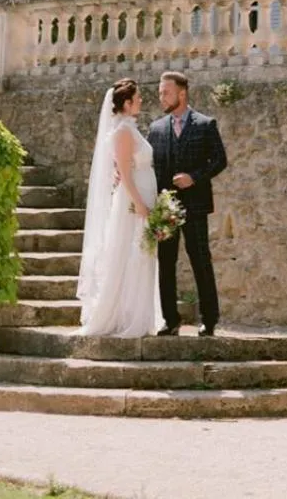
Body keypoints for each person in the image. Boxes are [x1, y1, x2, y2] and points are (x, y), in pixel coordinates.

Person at [77, 79, 164, 338]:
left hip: (142, 196)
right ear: (126, 103)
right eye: (137, 98)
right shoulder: (123, 132)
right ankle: (126, 316)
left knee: (141, 255)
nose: (141, 101)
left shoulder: (130, 129)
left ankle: (138, 313)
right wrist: (138, 202)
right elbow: (125, 173)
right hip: (132, 201)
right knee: (132, 253)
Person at [148, 70, 227, 337]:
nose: (161, 97)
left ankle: (209, 319)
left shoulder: (206, 124)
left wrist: (194, 177)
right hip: (165, 207)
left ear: (182, 93)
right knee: (165, 262)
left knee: (200, 261)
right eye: (160, 92)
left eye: (166, 92)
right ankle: (170, 320)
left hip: (196, 206)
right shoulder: (156, 129)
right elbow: (150, 168)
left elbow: (219, 161)